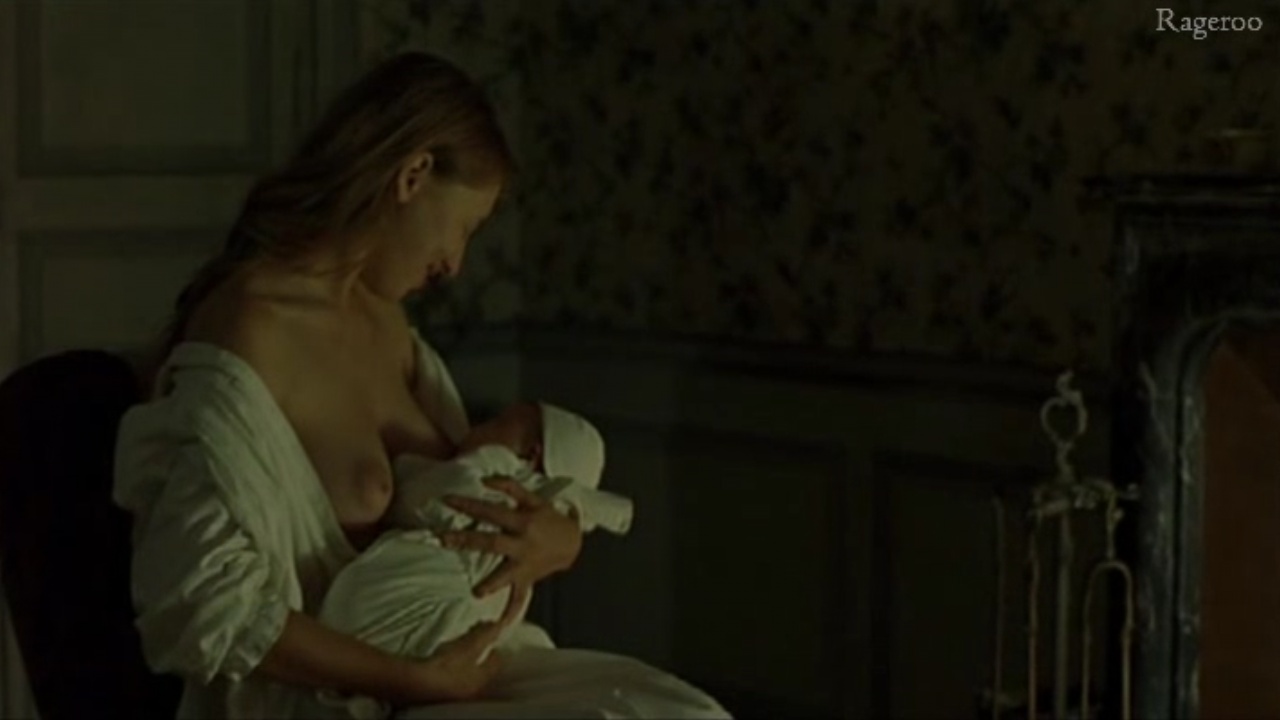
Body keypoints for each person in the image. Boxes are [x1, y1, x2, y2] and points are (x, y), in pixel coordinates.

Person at [111, 51, 730, 719]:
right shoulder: (250, 330)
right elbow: (200, 603)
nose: (455, 265)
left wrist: (556, 538)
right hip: (338, 696)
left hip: (464, 661)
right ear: (413, 175)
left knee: (681, 713)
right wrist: (411, 680)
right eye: (465, 227)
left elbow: (471, 504)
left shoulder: (391, 325)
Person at [312, 401, 634, 720]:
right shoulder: (545, 515)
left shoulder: (495, 472)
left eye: (498, 423)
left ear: (531, 456)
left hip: (426, 591)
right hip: (465, 614)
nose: (476, 427)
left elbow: (426, 496)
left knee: (368, 612)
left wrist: (407, 469)